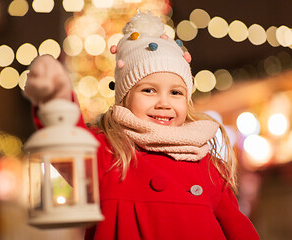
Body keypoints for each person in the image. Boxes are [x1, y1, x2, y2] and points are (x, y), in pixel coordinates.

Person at [24, 11, 260, 240]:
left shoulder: (206, 163)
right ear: (125, 97)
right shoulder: (109, 154)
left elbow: (238, 228)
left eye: (176, 92)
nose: (164, 103)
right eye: (149, 90)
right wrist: (56, 97)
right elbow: (68, 141)